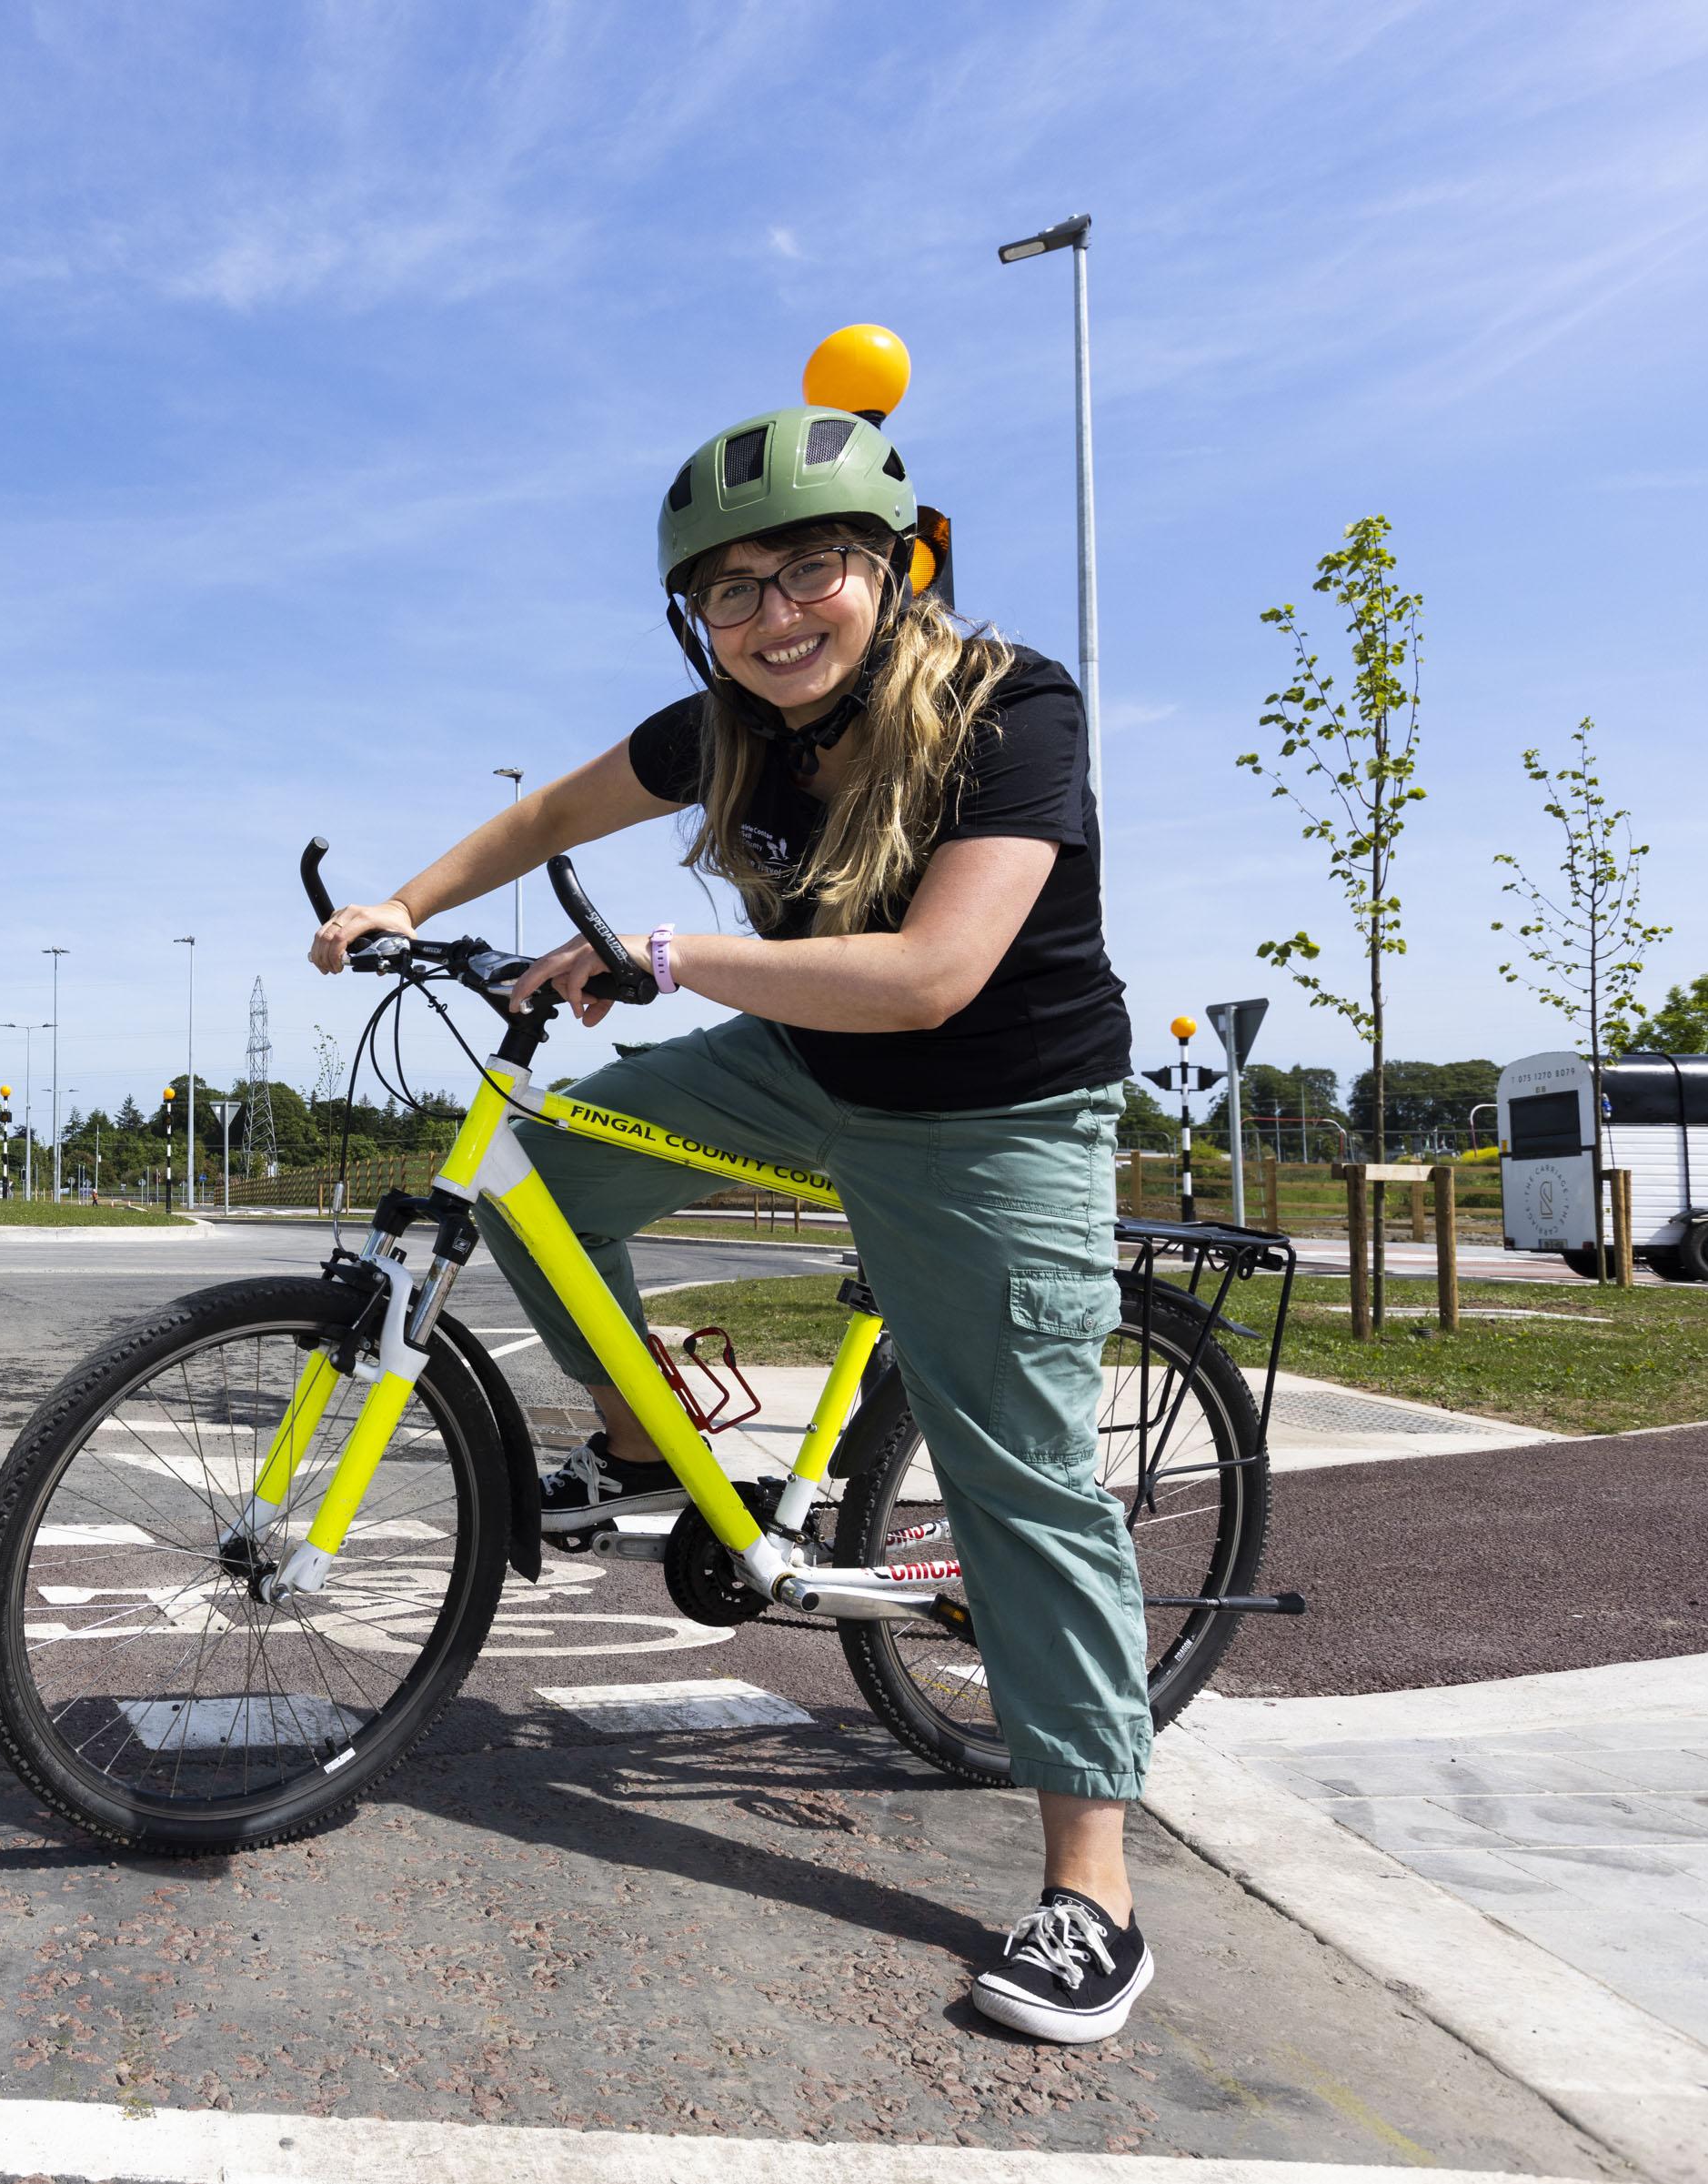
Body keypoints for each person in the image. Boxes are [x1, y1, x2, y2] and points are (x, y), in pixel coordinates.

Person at [307, 401, 1151, 2045]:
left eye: (812, 570)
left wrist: (667, 957)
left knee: (1018, 1478)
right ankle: (644, 1440)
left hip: (992, 1107)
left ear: (892, 568)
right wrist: (407, 900)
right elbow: (542, 816)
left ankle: (1092, 1892)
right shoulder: (721, 730)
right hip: (802, 1058)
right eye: (730, 590)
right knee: (544, 1183)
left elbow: (927, 978)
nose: (773, 616)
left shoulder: (1007, 712)